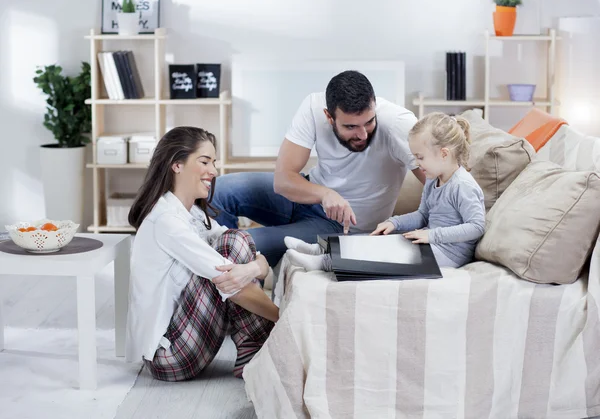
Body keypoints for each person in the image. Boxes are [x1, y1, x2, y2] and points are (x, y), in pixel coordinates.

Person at [211, 70, 426, 266]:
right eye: (351, 126)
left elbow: (442, 183)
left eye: (369, 122)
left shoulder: (398, 124)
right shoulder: (313, 106)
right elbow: (283, 179)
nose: (363, 134)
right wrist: (325, 194)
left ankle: (230, 277)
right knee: (217, 190)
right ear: (328, 116)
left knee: (236, 246)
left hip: (343, 227)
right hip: (308, 195)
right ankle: (211, 270)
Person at [125, 126, 278, 381]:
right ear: (177, 165)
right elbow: (232, 282)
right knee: (232, 248)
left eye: (213, 162)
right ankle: (255, 345)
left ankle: (252, 348)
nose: (214, 171)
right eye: (204, 161)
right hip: (169, 355)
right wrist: (285, 318)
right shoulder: (165, 220)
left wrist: (255, 267)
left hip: (188, 337)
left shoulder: (194, 214)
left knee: (237, 241)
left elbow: (248, 254)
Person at [285, 112, 486, 270]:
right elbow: (423, 215)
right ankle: (320, 249)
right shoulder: (433, 181)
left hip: (449, 254)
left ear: (443, 154)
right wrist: (394, 222)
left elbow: (477, 226)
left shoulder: (463, 186)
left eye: (421, 157)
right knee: (378, 238)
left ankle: (324, 264)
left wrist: (433, 236)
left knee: (386, 253)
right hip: (430, 241)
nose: (416, 164)